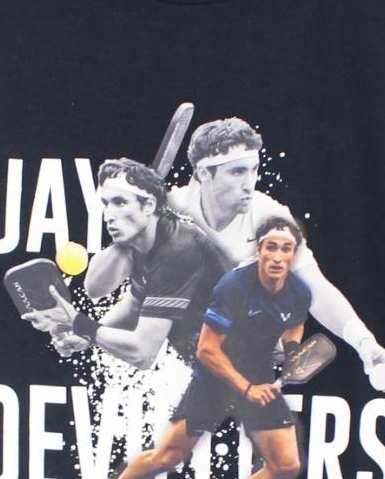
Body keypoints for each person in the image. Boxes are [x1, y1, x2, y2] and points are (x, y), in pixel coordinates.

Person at [84, 116, 385, 391]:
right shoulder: (168, 211)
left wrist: (365, 342)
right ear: (204, 174)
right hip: (172, 337)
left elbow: (315, 289)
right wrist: (132, 236)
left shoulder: (270, 219)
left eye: (254, 170)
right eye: (237, 172)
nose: (250, 184)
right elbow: (96, 289)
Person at [70, 214, 315, 479]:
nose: (277, 256)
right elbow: (207, 350)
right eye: (270, 247)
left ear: (294, 254)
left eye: (285, 249)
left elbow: (294, 326)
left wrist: (291, 351)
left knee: (286, 465)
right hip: (215, 375)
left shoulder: (299, 292)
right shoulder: (233, 286)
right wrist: (247, 390)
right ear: (259, 250)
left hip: (258, 375)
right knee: (168, 456)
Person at [21, 157, 229, 370]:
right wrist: (86, 336)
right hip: (216, 368)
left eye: (120, 202)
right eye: (106, 204)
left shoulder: (178, 250)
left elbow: (142, 354)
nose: (108, 215)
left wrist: (78, 322)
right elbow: (130, 305)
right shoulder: (143, 243)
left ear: (149, 205)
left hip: (242, 368)